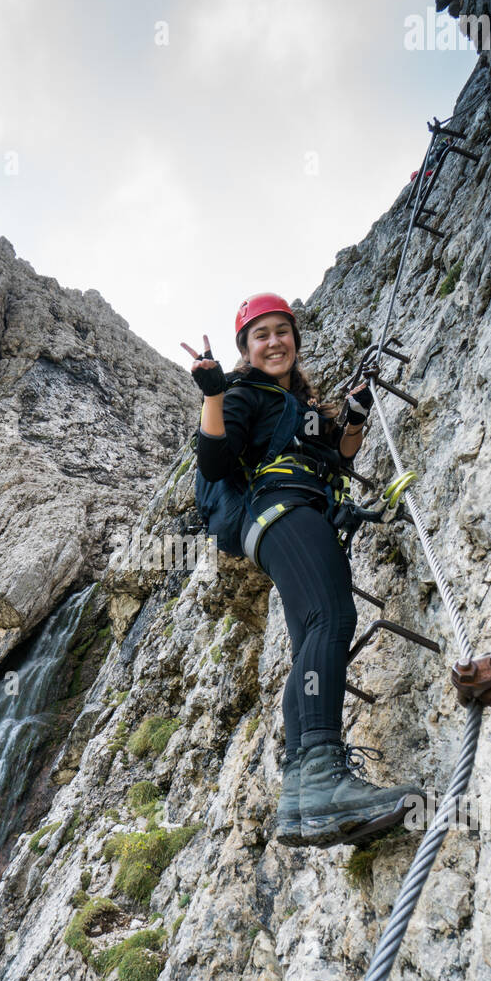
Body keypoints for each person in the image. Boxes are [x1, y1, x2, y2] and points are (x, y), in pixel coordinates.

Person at [182, 292, 423, 849]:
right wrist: (215, 395)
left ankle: (299, 795)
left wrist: (355, 418)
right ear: (245, 348)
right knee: (331, 620)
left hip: (290, 514)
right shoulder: (242, 393)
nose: (274, 341)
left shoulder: (295, 406)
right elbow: (215, 460)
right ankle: (322, 777)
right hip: (284, 509)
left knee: (313, 635)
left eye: (281, 331)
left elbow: (339, 456)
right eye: (260, 334)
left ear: (295, 337)